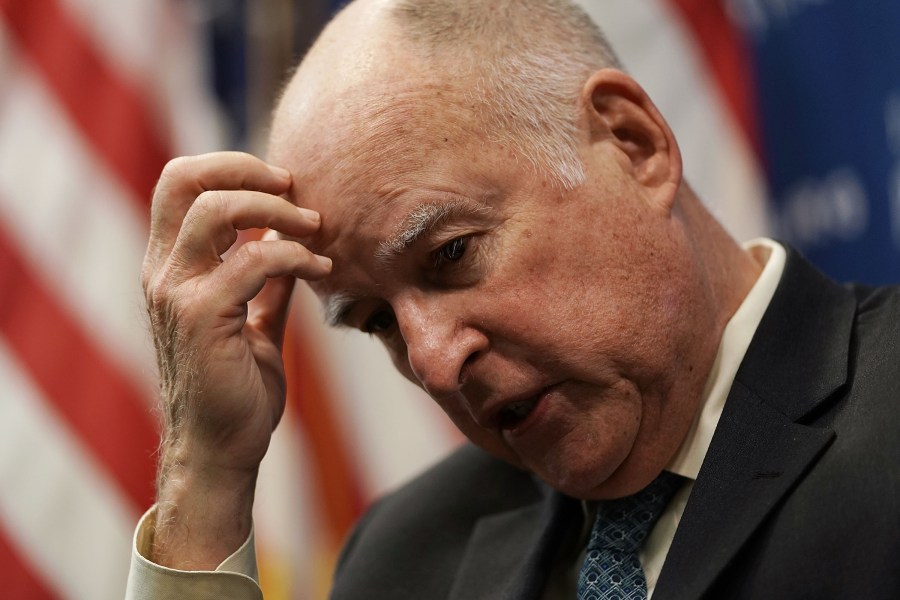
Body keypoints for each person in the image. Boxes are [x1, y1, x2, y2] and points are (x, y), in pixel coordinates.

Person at [126, 0, 900, 598]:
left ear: (633, 144)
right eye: (378, 322)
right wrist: (207, 476)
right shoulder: (405, 557)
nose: (432, 361)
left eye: (451, 254)